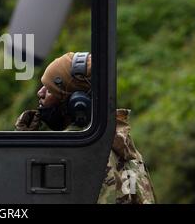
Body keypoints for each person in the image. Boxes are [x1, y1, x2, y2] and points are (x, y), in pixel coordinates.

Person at [15, 52, 156, 204]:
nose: (40, 93)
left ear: (78, 104)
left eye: (50, 90)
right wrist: (28, 143)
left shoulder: (82, 153)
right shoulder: (114, 141)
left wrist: (20, 151)